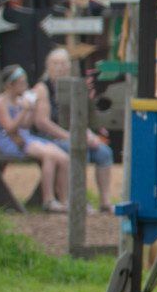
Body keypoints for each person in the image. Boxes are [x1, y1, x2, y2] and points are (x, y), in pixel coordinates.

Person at [31, 47, 117, 210]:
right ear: (48, 65)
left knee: (104, 152)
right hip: (49, 138)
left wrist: (89, 135)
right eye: (56, 63)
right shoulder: (43, 88)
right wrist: (69, 137)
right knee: (79, 150)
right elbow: (42, 122)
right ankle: (77, 199)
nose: (60, 67)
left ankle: (105, 202)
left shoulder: (74, 86)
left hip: (72, 134)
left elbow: (80, 117)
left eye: (64, 63)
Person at [0, 66, 71, 212]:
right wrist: (25, 110)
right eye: (21, 83)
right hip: (11, 141)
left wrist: (31, 109)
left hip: (25, 137)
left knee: (64, 158)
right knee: (49, 156)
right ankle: (48, 200)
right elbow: (9, 128)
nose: (25, 86)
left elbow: (25, 125)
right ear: (10, 85)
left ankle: (64, 200)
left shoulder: (20, 100)